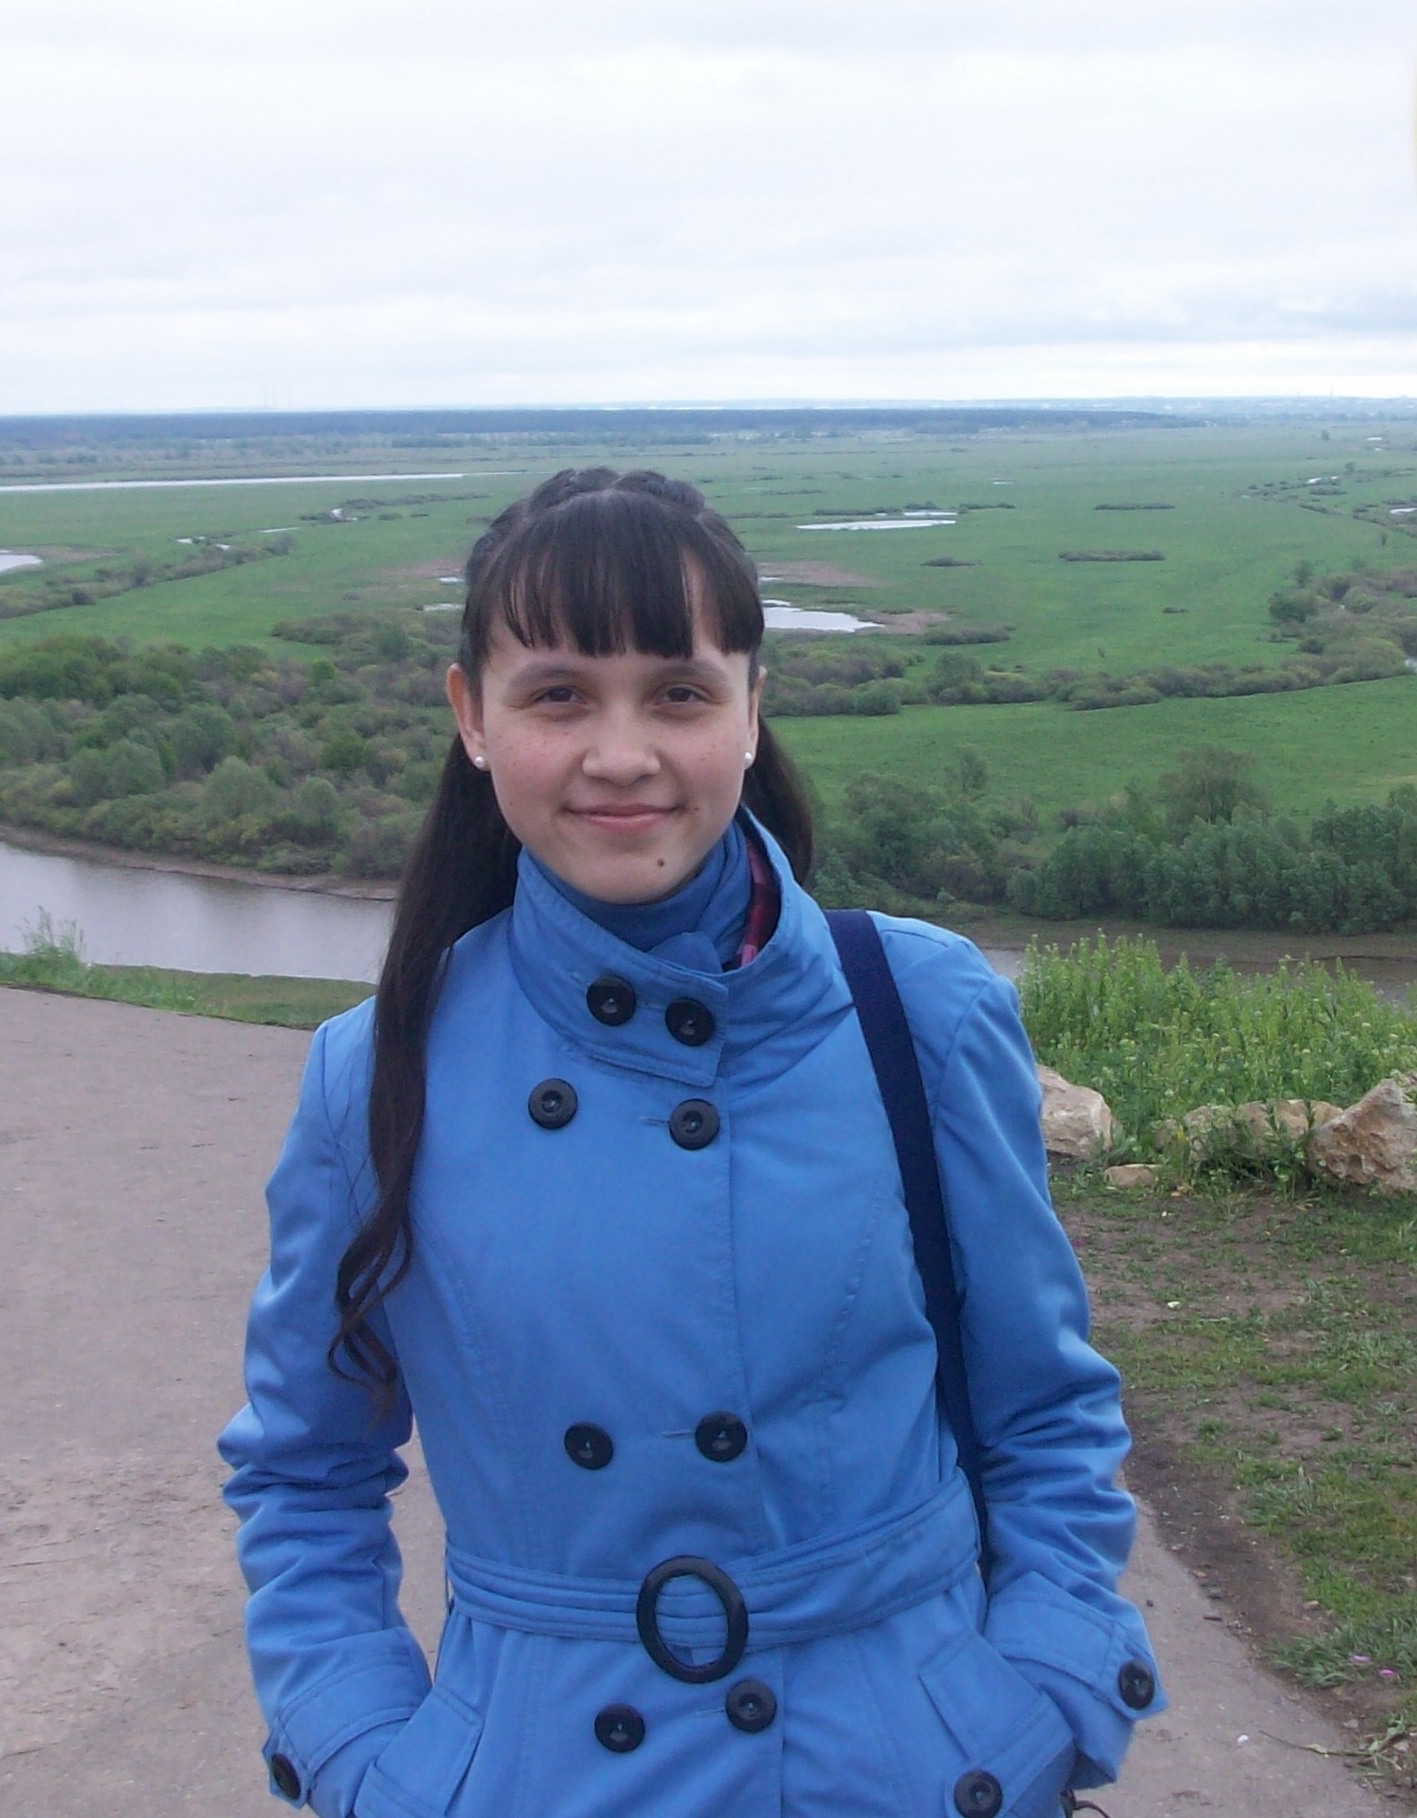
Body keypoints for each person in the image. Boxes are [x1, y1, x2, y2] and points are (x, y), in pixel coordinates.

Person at [219, 468, 1163, 1818]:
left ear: (750, 707)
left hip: (904, 1772)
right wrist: (373, 1758)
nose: (620, 755)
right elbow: (306, 1470)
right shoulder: (378, 1074)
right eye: (558, 695)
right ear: (471, 717)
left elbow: (1043, 1406)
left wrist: (1045, 1691)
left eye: (677, 692)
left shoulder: (918, 1010)